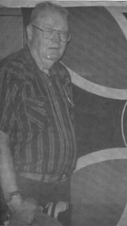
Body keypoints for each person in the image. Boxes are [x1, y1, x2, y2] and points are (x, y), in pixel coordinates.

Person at [0, 2, 77, 226]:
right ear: (30, 33)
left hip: (60, 191)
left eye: (63, 34)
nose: (56, 39)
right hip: (25, 191)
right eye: (49, 31)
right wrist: (15, 202)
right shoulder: (11, 72)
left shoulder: (62, 74)